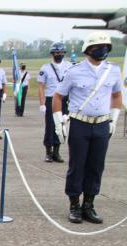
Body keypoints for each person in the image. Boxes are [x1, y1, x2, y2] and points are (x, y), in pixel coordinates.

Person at [53, 32, 122, 224]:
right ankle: (74, 204)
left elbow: (117, 95)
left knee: (96, 166)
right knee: (77, 165)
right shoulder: (74, 71)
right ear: (88, 50)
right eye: (97, 47)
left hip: (101, 124)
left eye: (105, 47)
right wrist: (59, 123)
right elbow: (58, 97)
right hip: (79, 123)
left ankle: (89, 204)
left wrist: (114, 120)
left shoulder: (113, 70)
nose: (102, 50)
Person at [38, 42, 71, 162]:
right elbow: (41, 87)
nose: (59, 54)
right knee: (50, 126)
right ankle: (48, 152)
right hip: (51, 99)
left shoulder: (69, 66)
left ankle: (57, 152)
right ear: (52, 53)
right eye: (57, 53)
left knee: (62, 125)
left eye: (61, 53)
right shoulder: (45, 68)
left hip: (64, 99)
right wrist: (42, 104)